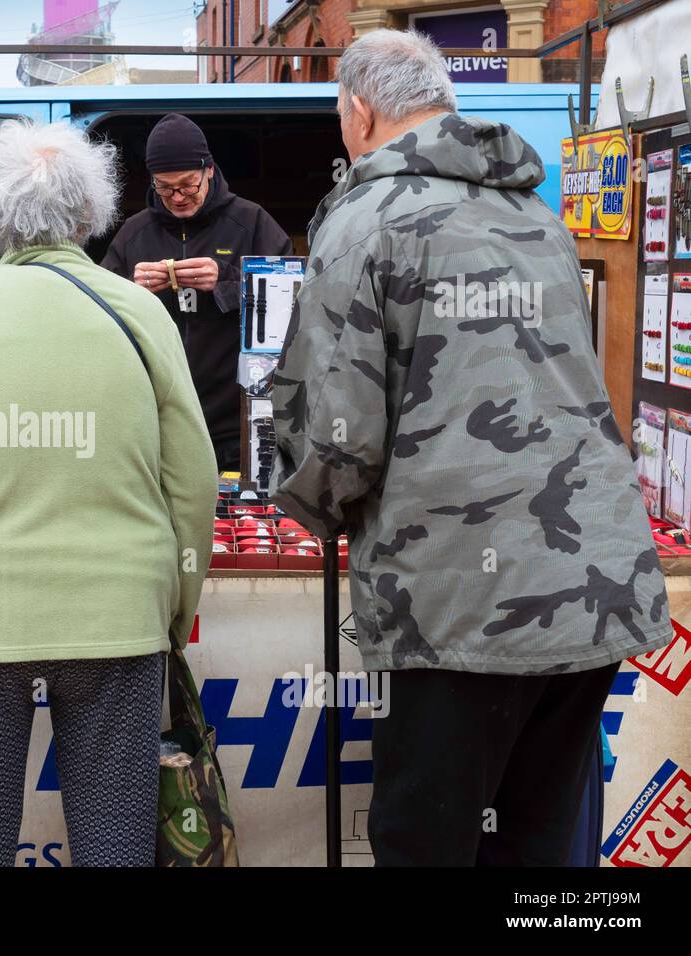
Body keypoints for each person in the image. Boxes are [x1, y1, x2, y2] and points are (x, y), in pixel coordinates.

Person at [271, 28, 673, 866]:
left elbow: (338, 438)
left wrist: (309, 504)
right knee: (538, 841)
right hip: (591, 581)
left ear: (360, 109)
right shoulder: (534, 211)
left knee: (429, 839)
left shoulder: (364, 221)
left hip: (460, 596)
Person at [0, 120, 217, 867]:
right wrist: (177, 602)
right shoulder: (140, 311)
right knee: (115, 844)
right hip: (117, 610)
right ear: (91, 216)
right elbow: (192, 482)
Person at [102, 113, 292, 470]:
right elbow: (96, 314)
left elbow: (294, 301)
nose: (177, 197)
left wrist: (227, 281)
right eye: (165, 187)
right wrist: (129, 290)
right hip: (158, 422)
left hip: (236, 425)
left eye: (188, 185)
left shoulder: (251, 222)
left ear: (208, 170)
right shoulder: (133, 234)